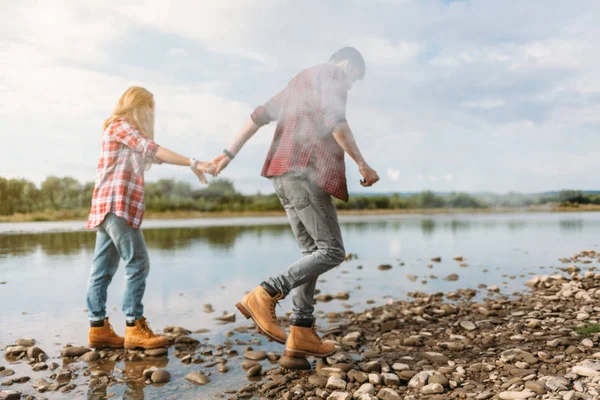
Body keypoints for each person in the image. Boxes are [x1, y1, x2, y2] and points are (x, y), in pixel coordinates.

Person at [212, 47, 380, 358]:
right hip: (305, 173)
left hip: (282, 174)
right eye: (355, 78)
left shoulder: (298, 81)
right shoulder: (332, 75)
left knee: (311, 254)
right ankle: (265, 293)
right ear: (348, 64)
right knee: (332, 251)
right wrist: (362, 163)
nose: (351, 85)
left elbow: (259, 116)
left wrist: (228, 153)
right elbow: (336, 122)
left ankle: (301, 334)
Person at [86, 86, 213, 350]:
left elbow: (154, 157)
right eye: (150, 107)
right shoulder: (121, 126)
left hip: (108, 208)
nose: (153, 113)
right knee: (138, 263)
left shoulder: (125, 133)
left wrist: (190, 168)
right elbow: (152, 149)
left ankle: (98, 329)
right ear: (138, 105)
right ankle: (134, 326)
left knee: (102, 270)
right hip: (116, 206)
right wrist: (194, 162)